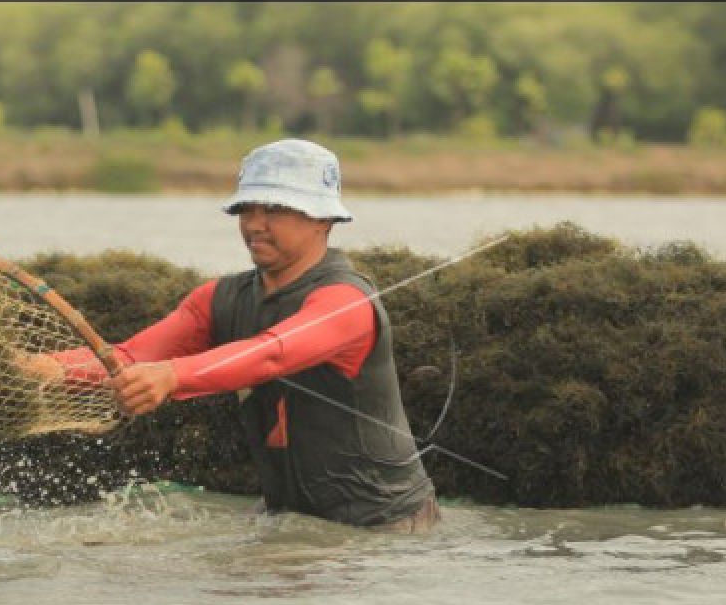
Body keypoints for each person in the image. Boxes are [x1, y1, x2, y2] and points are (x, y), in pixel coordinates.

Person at [40, 139, 440, 532]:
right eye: (246, 209)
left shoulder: (344, 302)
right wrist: (40, 370)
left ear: (323, 218)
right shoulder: (219, 298)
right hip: (288, 518)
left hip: (384, 529)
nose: (254, 225)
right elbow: (128, 357)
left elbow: (271, 354)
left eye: (276, 209)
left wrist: (172, 376)